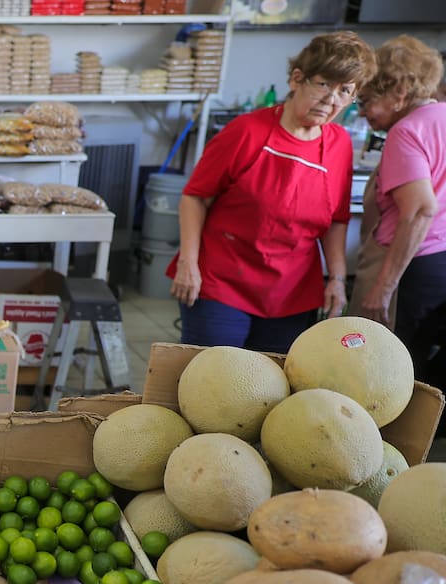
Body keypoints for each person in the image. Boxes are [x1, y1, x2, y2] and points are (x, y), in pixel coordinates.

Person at [168, 32, 376, 352]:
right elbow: (195, 196)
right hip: (222, 284)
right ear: (297, 79)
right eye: (323, 84)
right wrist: (188, 262)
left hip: (290, 294)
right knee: (213, 382)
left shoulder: (339, 145)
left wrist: (336, 279)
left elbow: (337, 219)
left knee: (271, 389)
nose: (331, 99)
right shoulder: (246, 132)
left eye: (344, 91)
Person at [356, 36, 446, 381]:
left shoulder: (407, 132)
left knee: (383, 370)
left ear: (397, 93)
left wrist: (384, 286)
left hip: (408, 266)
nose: (363, 113)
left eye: (367, 101)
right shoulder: (441, 116)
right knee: (417, 363)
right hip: (438, 263)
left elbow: (421, 209)